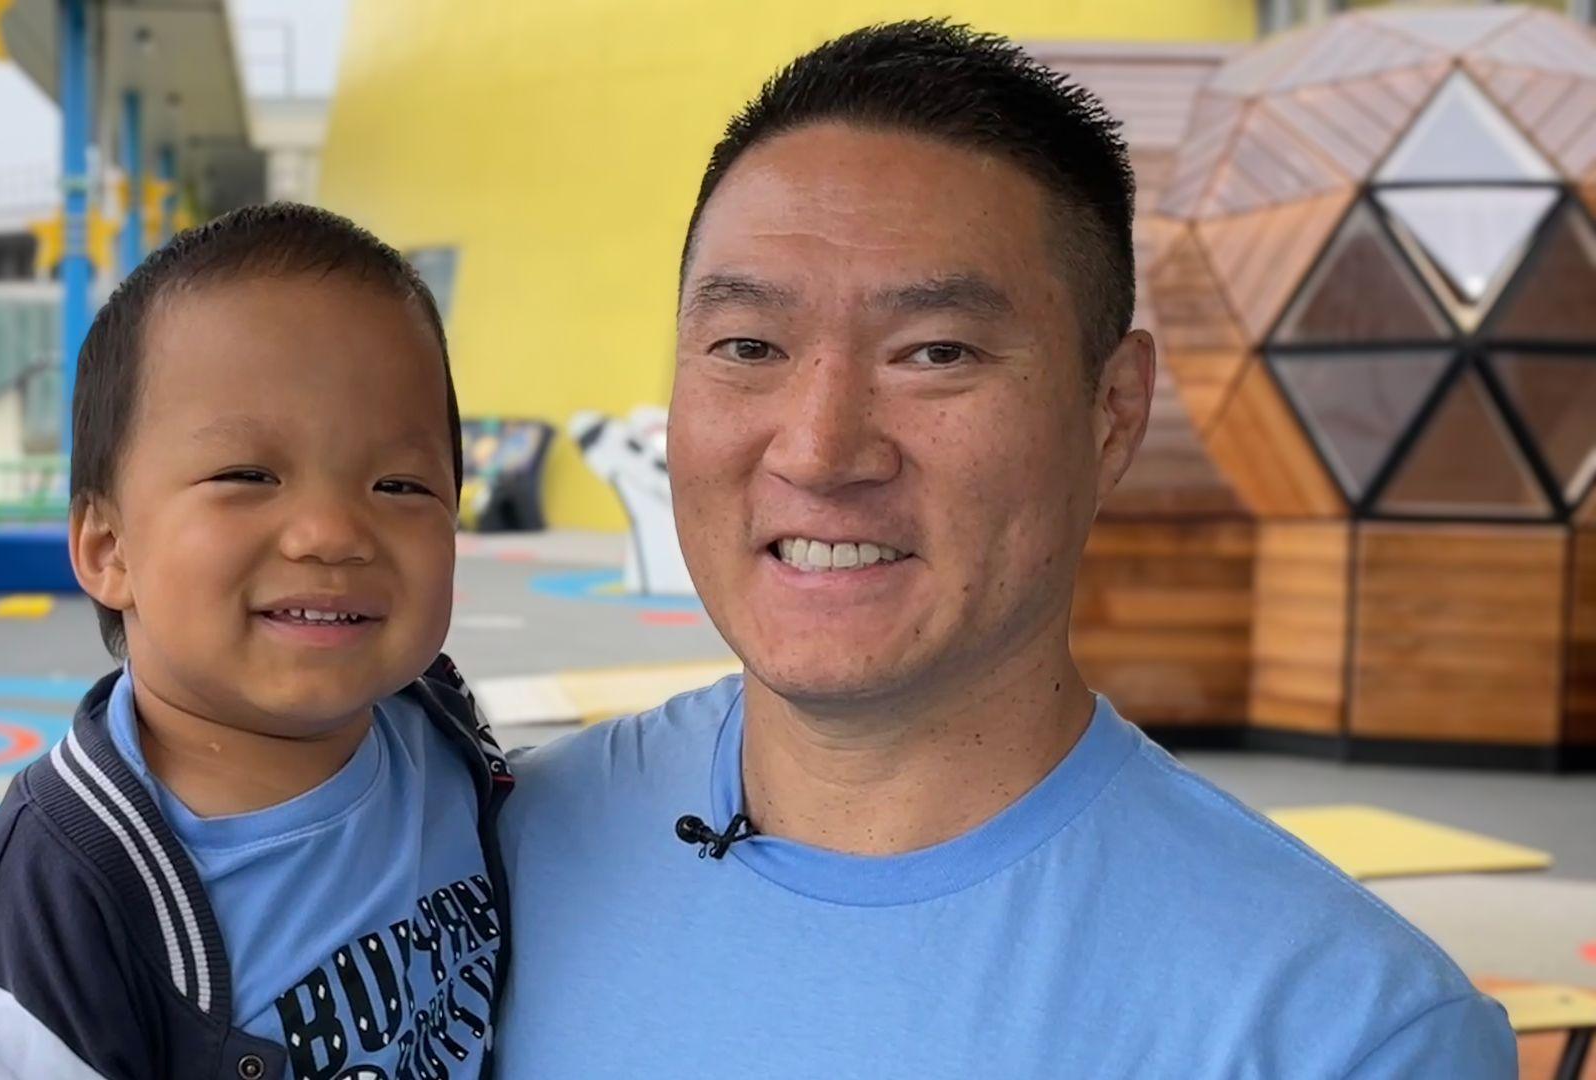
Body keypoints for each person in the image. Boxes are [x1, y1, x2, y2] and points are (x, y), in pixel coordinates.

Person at [495, 21, 1514, 1078]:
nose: (819, 449)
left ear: (1112, 413)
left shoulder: (1340, 1034)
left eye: (936, 352)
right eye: (749, 347)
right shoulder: (485, 861)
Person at [0, 204, 513, 1080]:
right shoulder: (37, 938)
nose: (330, 531)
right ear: (108, 549)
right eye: (247, 476)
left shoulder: (439, 729)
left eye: (399, 484)